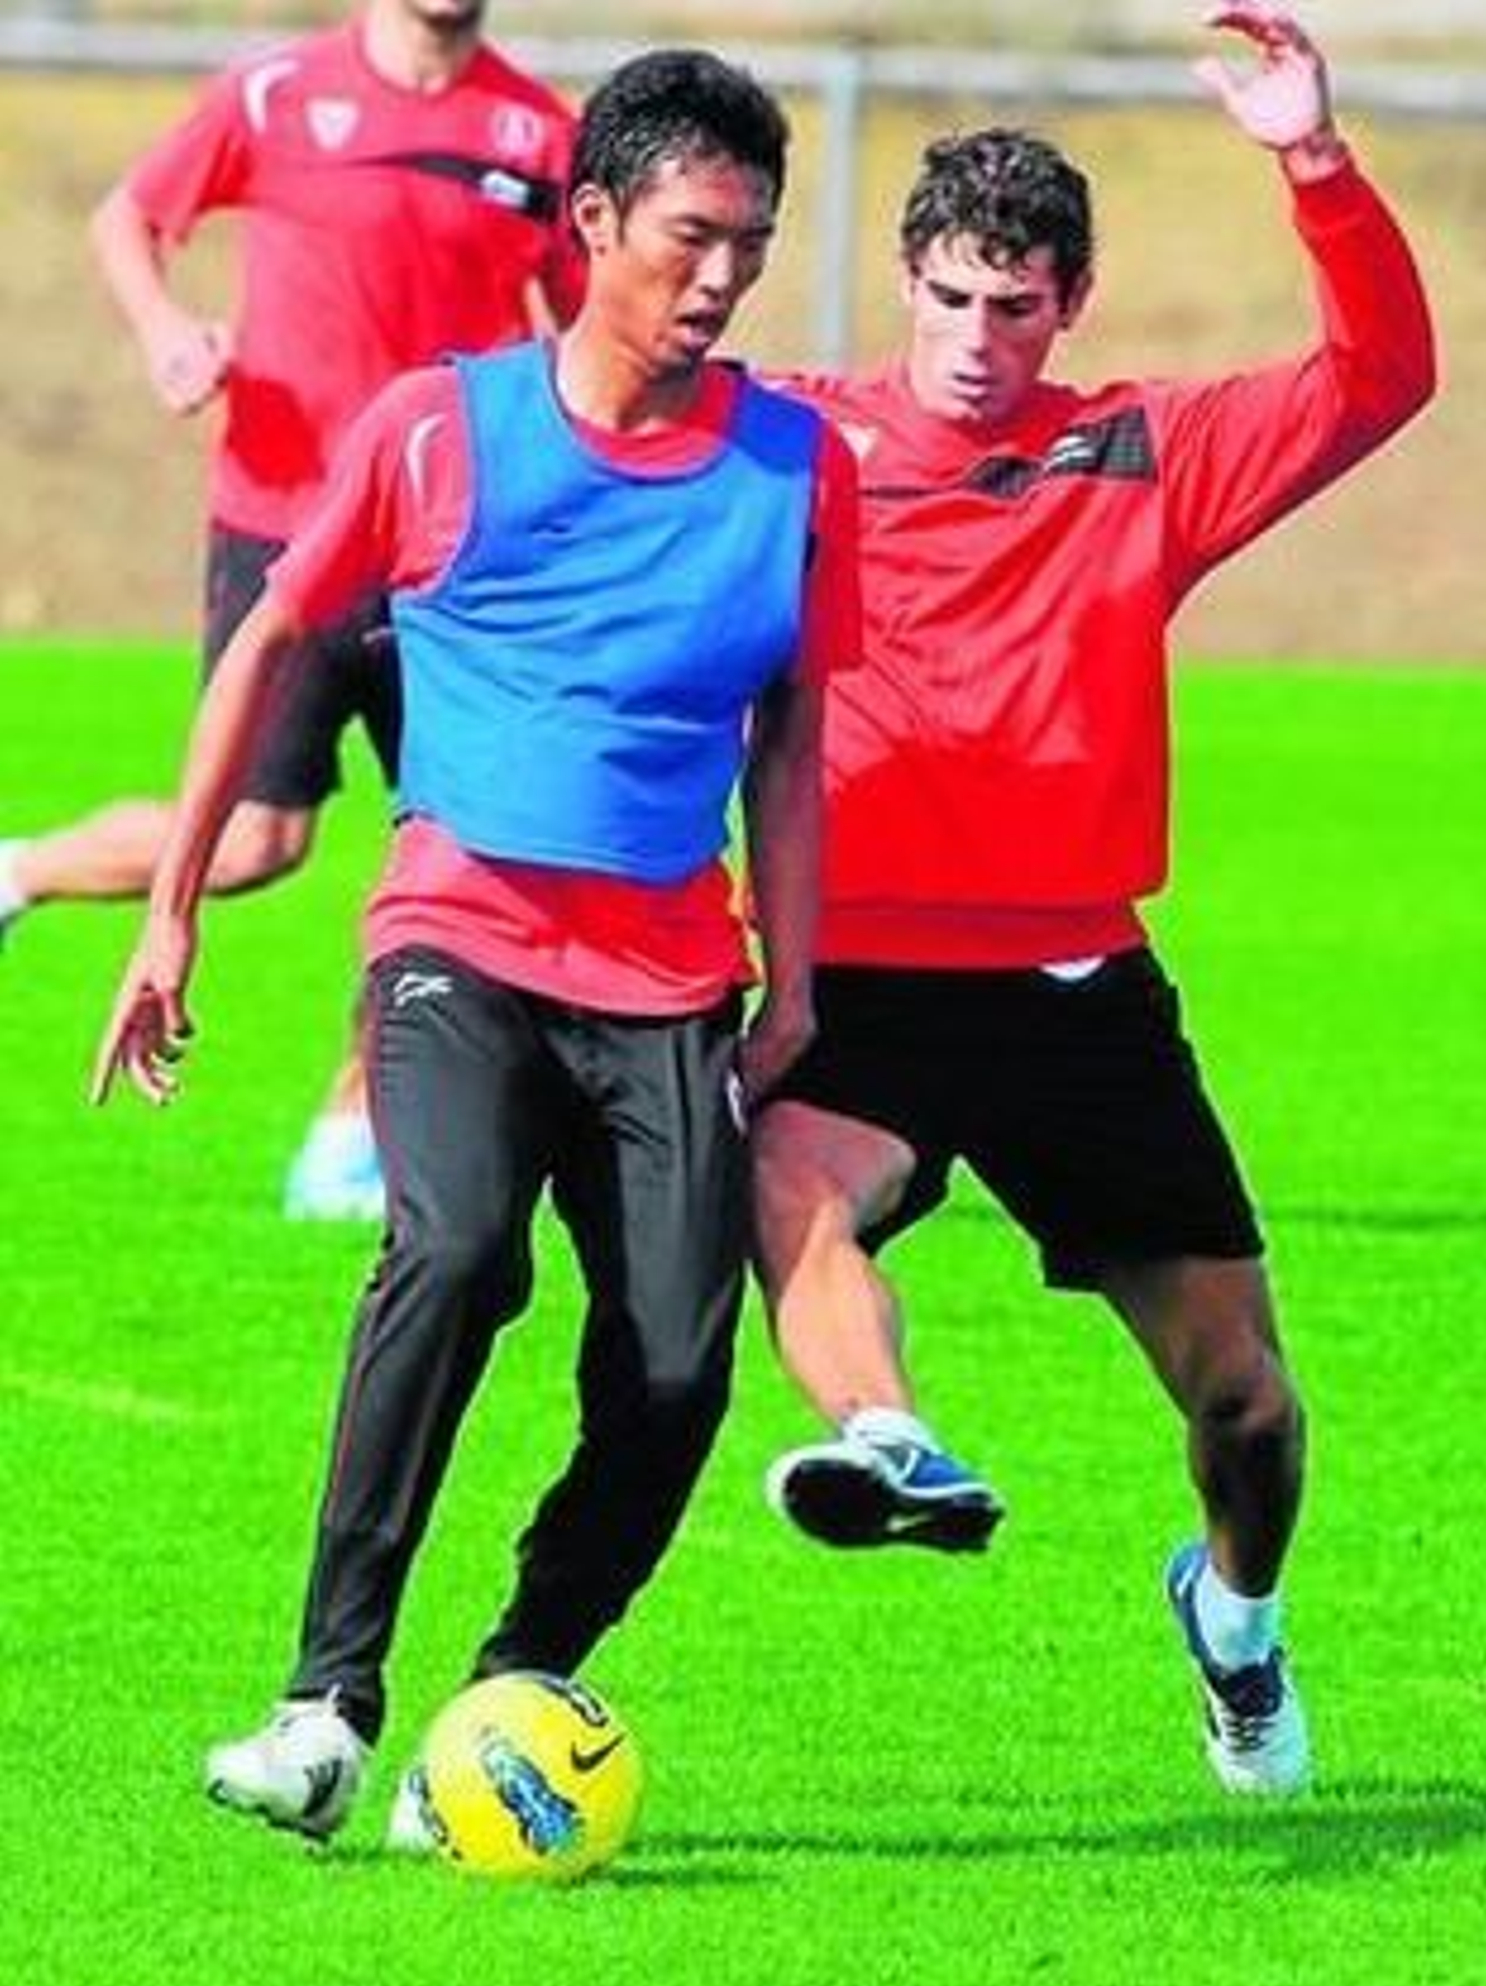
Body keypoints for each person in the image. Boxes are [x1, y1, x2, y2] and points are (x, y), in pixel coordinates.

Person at [92, 46, 859, 1846]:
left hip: (672, 975)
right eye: (691, 235)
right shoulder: (441, 427)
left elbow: (796, 737)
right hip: (461, 937)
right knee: (447, 1253)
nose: (723, 275)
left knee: (675, 1366)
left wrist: (797, 977)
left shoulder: (792, 464)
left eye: (751, 242)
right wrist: (173, 909)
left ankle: (513, 1683)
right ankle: (322, 1706)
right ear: (591, 222)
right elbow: (272, 636)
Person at [752, 1, 1436, 1797]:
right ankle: (887, 1435)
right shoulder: (793, 444)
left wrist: (1312, 158)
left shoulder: (1140, 450)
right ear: (904, 280)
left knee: (1250, 1409)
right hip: (864, 976)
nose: (980, 338)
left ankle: (1234, 1616)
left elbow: (1380, 378)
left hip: (1079, 989)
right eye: (954, 296)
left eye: (1018, 304)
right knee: (803, 1204)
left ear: (1067, 306)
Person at [0, 0, 586, 1221]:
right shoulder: (273, 94)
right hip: (283, 522)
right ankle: (20, 872)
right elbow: (131, 216)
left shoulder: (540, 136)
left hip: (453, 550)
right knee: (262, 839)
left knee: (462, 846)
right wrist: (166, 334)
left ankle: (353, 1118)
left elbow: (589, 335)